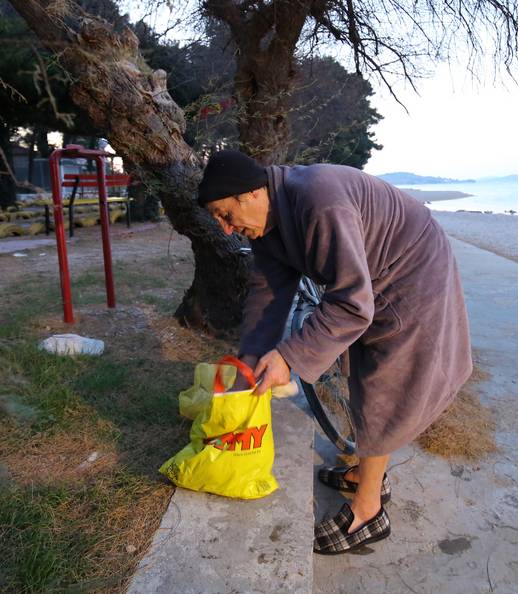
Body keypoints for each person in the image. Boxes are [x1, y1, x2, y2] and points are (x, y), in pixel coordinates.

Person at [197, 149, 472, 554]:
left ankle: (369, 511)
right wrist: (250, 362)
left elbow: (351, 305)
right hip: (368, 274)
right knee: (361, 372)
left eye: (225, 214)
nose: (225, 229)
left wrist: (289, 357)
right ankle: (366, 474)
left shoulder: (318, 200)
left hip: (411, 267)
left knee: (384, 381)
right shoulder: (266, 222)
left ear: (251, 194)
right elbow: (266, 295)